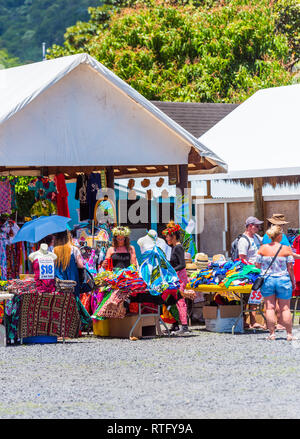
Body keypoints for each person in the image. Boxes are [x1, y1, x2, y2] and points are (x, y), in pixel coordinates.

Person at [256, 225, 296, 341]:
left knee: (269, 307)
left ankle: (272, 334)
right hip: (283, 279)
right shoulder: (286, 249)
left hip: (267, 279)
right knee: (285, 308)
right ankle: (289, 334)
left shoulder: (263, 248)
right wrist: (292, 281)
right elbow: (290, 267)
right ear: (279, 236)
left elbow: (257, 265)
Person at [162, 221, 190, 334]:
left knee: (179, 300)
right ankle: (175, 324)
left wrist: (171, 270)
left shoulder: (178, 248)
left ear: (173, 236)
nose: (166, 239)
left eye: (167, 236)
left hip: (180, 278)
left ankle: (184, 326)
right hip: (175, 278)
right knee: (170, 299)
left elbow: (182, 264)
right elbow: (175, 262)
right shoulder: (173, 247)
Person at [238, 216, 264, 329]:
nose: (258, 228)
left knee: (254, 297)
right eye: (256, 226)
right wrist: (252, 266)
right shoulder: (243, 240)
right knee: (247, 297)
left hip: (258, 272)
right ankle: (246, 321)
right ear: (250, 226)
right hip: (249, 273)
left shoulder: (257, 237)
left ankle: (253, 321)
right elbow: (242, 259)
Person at [53, 230, 85, 297]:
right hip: (72, 283)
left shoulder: (54, 250)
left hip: (59, 283)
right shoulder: (74, 249)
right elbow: (80, 266)